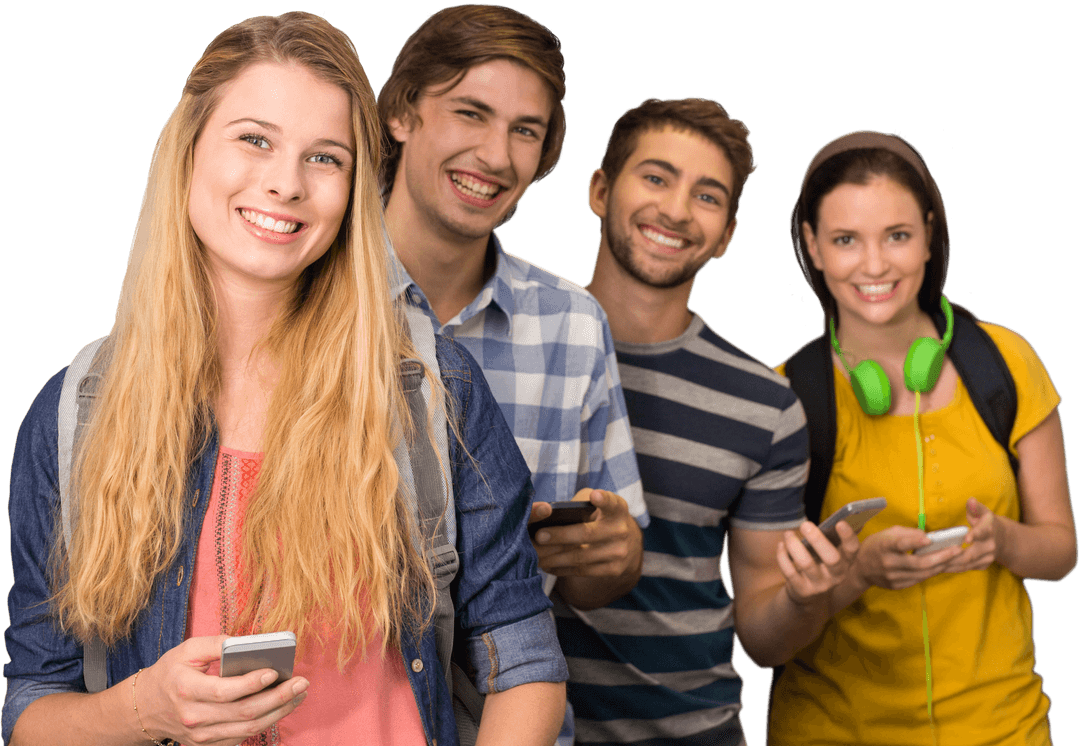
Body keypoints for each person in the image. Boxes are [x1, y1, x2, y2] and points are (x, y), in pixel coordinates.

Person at [2, 12, 566, 746]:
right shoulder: (74, 411)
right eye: (255, 139)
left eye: (325, 158)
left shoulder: (433, 391)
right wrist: (143, 711)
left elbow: (524, 665)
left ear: (354, 190)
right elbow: (31, 707)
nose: (286, 184)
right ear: (187, 150)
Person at [377, 9, 647, 741]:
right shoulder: (298, 293)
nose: (496, 155)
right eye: (471, 113)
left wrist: (612, 555)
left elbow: (601, 576)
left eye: (525, 130)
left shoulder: (572, 323)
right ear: (402, 112)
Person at [768, 130, 1076, 745]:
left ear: (930, 236)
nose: (875, 265)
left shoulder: (1007, 362)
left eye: (898, 236)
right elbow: (765, 634)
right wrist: (855, 576)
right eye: (847, 240)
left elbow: (1061, 551)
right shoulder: (784, 400)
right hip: (832, 731)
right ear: (813, 246)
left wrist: (1003, 541)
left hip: (1003, 729)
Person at [569, 97, 860, 745]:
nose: (674, 209)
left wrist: (808, 596)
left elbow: (763, 633)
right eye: (655, 177)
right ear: (599, 189)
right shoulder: (511, 351)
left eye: (707, 196)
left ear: (727, 234)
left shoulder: (767, 405)